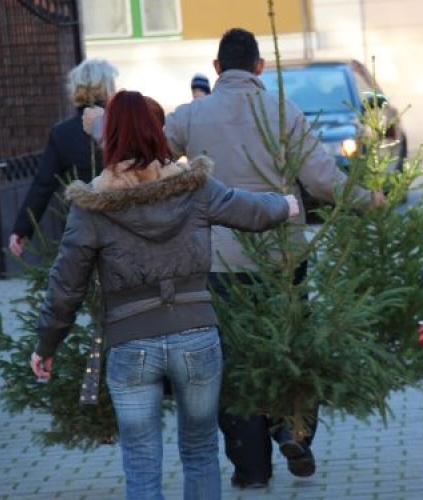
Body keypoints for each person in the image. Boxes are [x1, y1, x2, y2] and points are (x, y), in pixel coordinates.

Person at [29, 90, 299, 500]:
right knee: (201, 451)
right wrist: (286, 205)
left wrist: (47, 343)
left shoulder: (93, 205)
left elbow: (66, 284)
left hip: (130, 343)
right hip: (196, 337)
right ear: (159, 132)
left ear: (107, 139)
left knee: (140, 462)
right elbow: (247, 209)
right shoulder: (194, 188)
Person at [164, 27, 383, 489]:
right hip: (283, 259)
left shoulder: (189, 117)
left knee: (234, 360)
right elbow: (323, 180)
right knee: (294, 346)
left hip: (218, 260)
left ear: (217, 68)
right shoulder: (284, 112)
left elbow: (146, 157)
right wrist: (371, 199)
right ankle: (294, 430)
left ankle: (251, 468)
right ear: (260, 67)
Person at [8, 58, 118, 257]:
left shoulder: (62, 133)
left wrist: (22, 229)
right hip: (127, 219)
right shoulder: (123, 124)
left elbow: (43, 185)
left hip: (84, 226)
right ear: (107, 86)